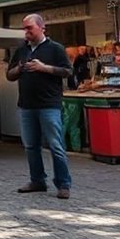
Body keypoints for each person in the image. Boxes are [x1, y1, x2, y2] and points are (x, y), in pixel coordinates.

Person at [7, 14, 73, 199]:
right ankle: (37, 180)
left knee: (55, 145)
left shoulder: (56, 49)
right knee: (30, 145)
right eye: (24, 28)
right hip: (27, 105)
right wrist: (20, 68)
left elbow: (68, 71)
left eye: (29, 28)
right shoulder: (22, 50)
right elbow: (9, 75)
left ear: (41, 28)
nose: (26, 32)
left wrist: (45, 68)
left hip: (49, 105)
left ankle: (63, 183)